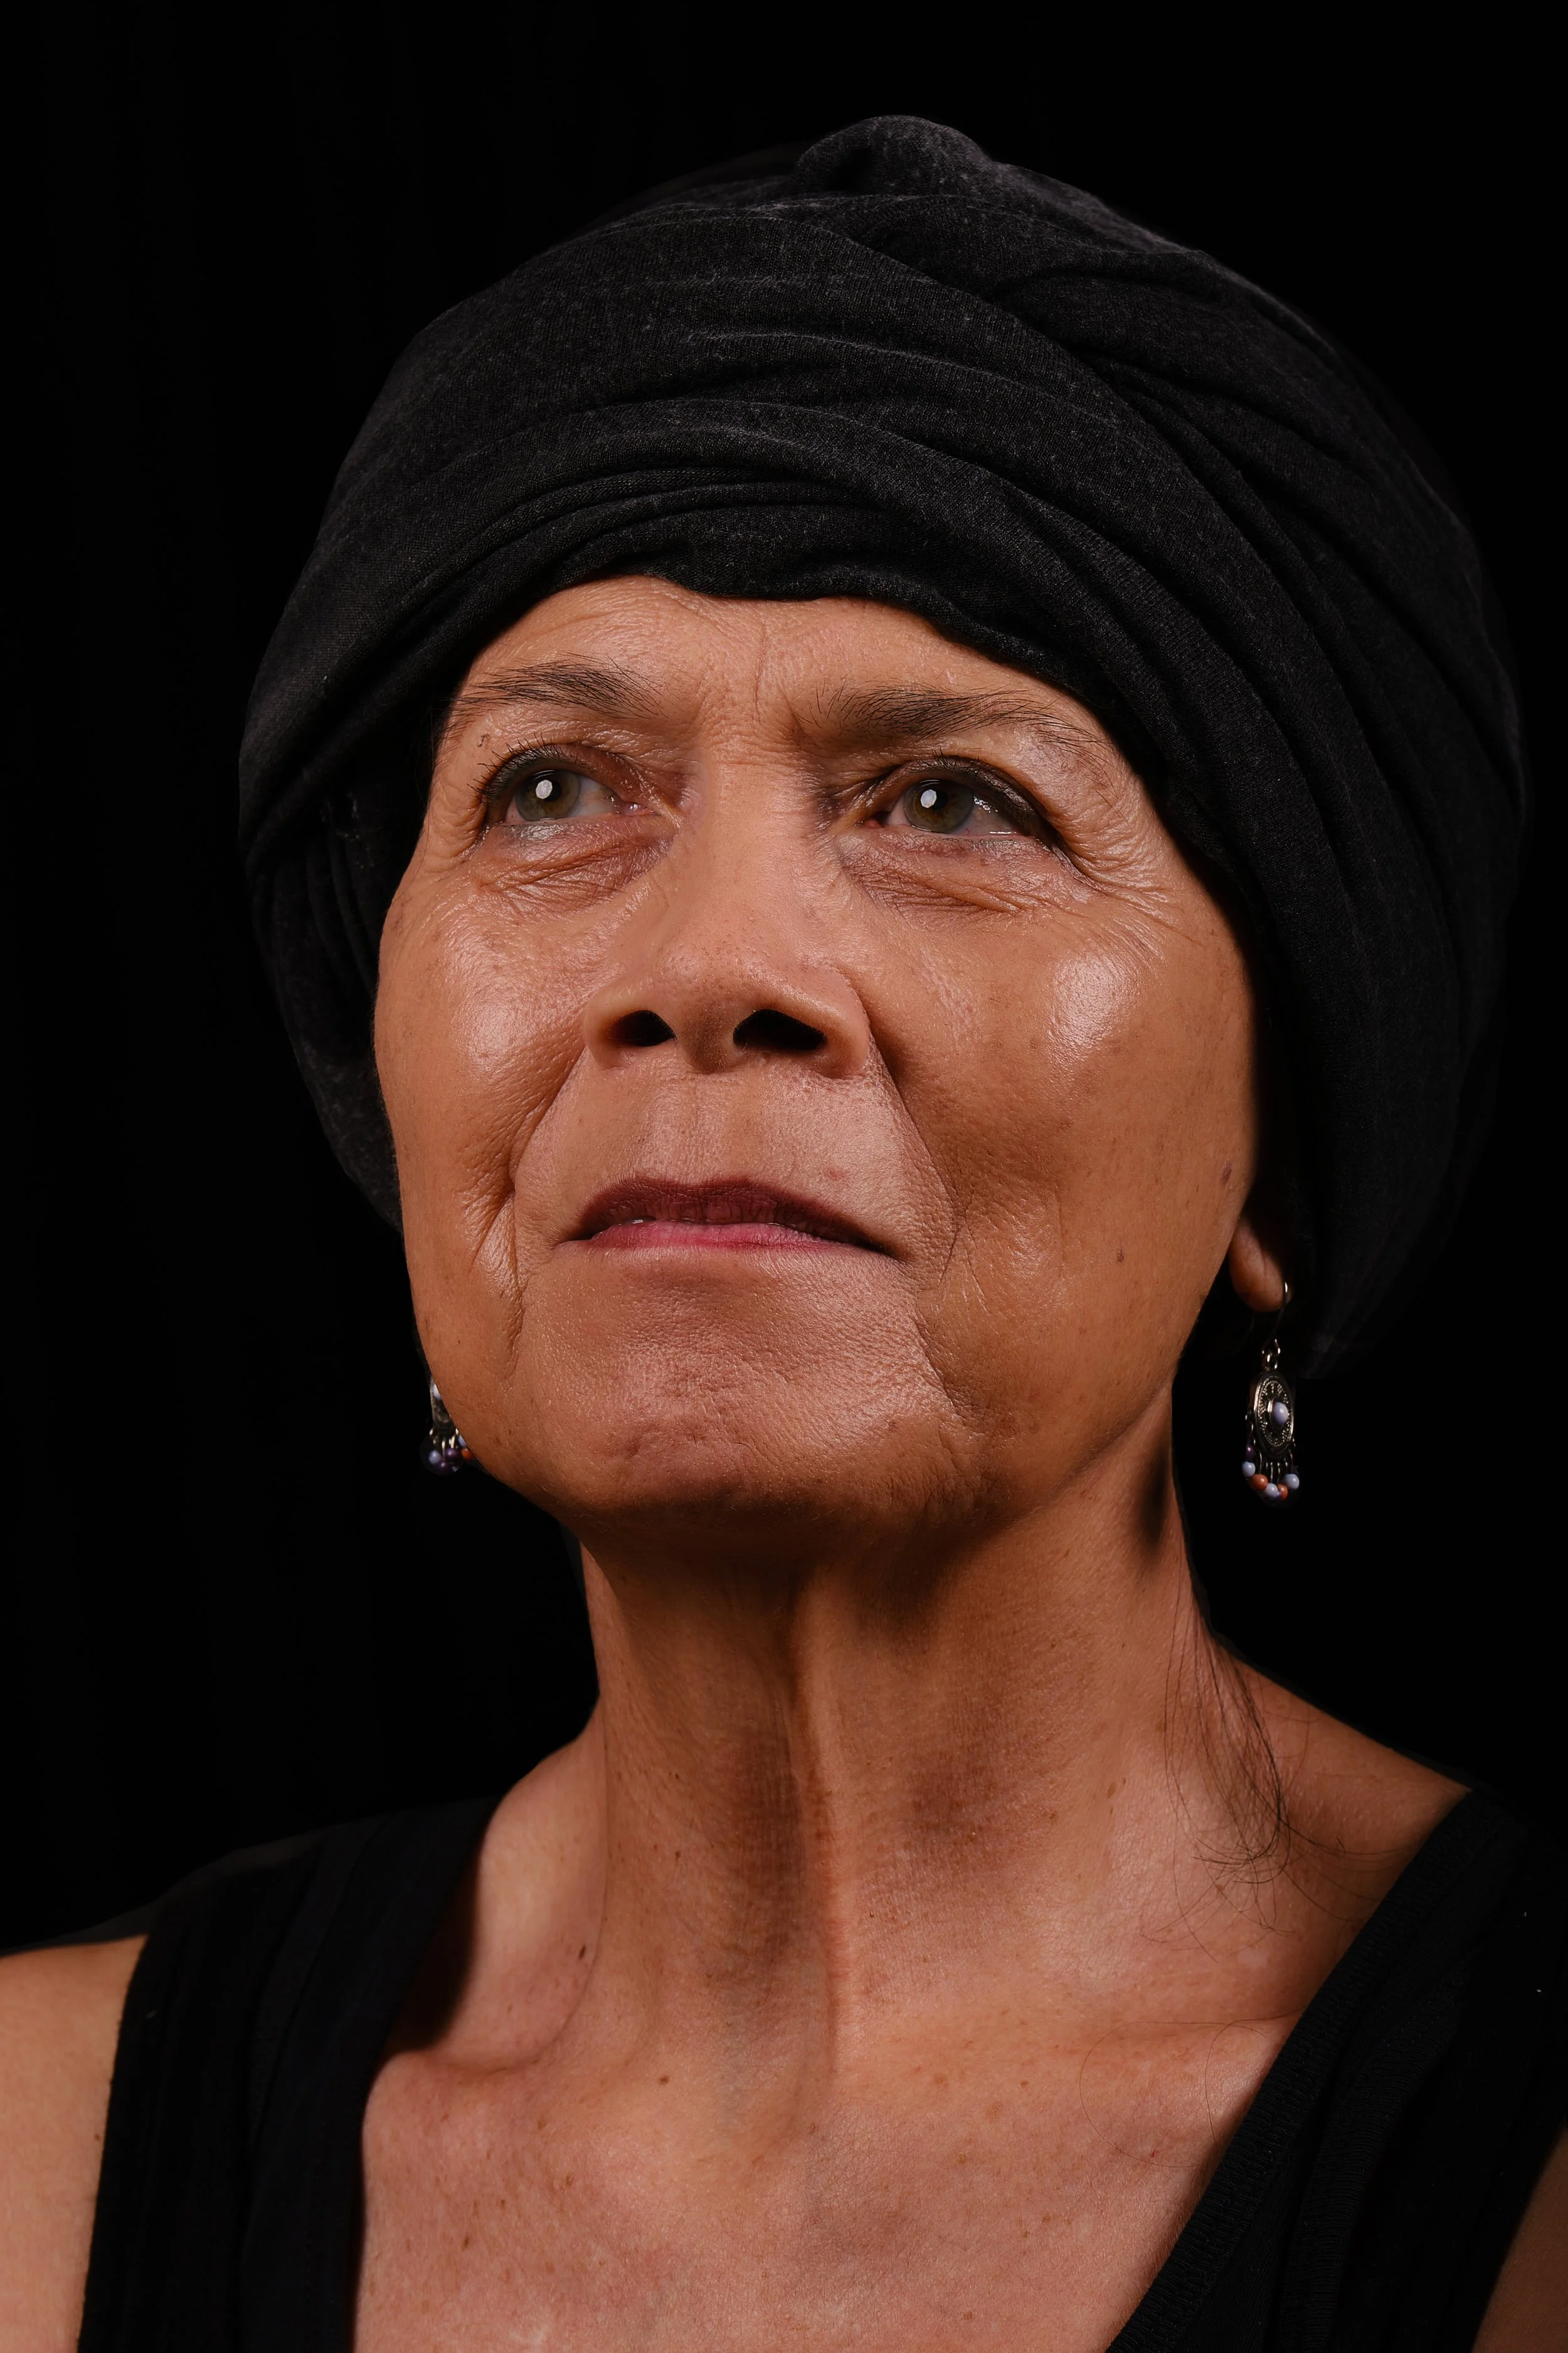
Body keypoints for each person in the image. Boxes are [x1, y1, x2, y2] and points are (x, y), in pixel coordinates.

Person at [2, 119, 1561, 2353]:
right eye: (552, 789)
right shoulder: (30, 2163)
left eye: (952, 802)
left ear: (1277, 1157)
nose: (708, 961)